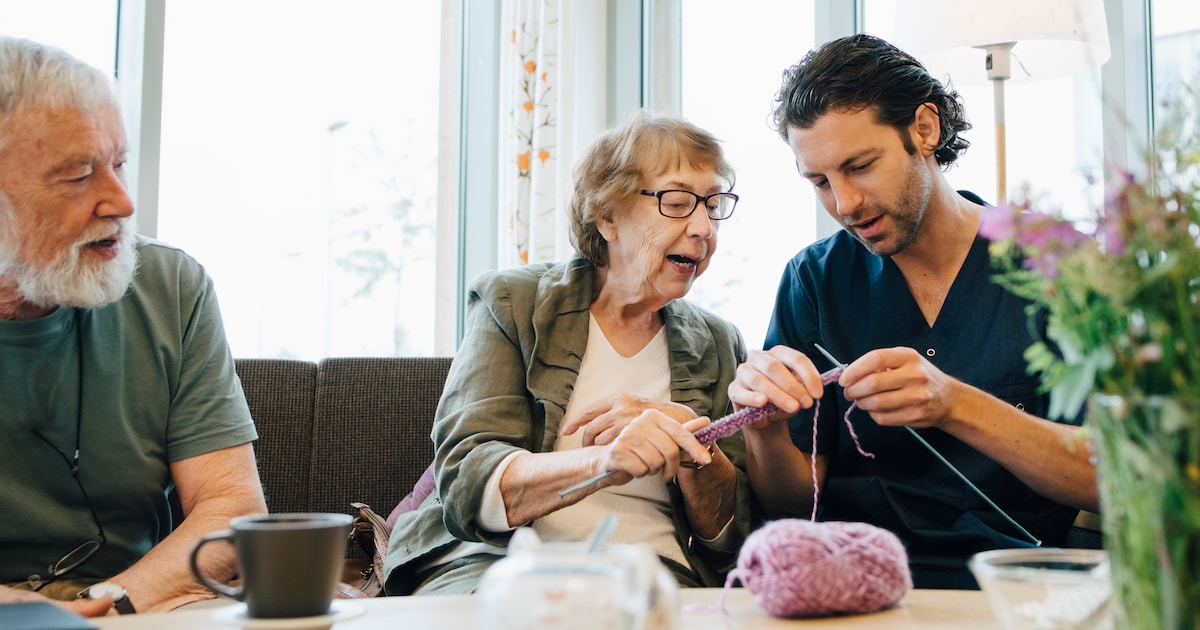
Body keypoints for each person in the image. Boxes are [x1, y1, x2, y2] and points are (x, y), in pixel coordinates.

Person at [728, 34, 1100, 589]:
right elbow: (791, 506)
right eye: (820, 182)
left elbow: (1118, 478)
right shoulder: (815, 280)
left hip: (1013, 589)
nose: (845, 204)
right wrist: (764, 430)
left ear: (924, 129)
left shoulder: (1061, 266)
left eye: (860, 166)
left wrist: (954, 404)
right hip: (851, 589)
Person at [384, 111, 753, 595]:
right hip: (497, 565)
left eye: (713, 205)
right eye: (678, 202)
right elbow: (466, 481)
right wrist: (603, 462)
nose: (704, 227)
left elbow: (730, 540)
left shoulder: (721, 343)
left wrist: (696, 450)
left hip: (653, 575)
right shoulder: (512, 303)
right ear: (607, 216)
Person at [0, 36, 267, 615]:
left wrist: (106, 607)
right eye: (78, 176)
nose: (121, 201)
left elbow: (231, 507)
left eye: (118, 164)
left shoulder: (171, 286)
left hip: (138, 609)